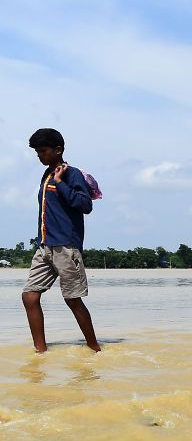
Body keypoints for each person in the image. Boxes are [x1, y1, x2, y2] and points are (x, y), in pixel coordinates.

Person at [21, 128, 100, 353]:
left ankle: (95, 349)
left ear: (58, 150)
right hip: (45, 246)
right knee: (29, 296)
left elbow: (86, 206)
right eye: (37, 152)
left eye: (43, 151)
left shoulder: (71, 174)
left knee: (72, 300)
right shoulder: (45, 175)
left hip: (66, 246)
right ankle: (40, 352)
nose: (40, 156)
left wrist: (60, 182)